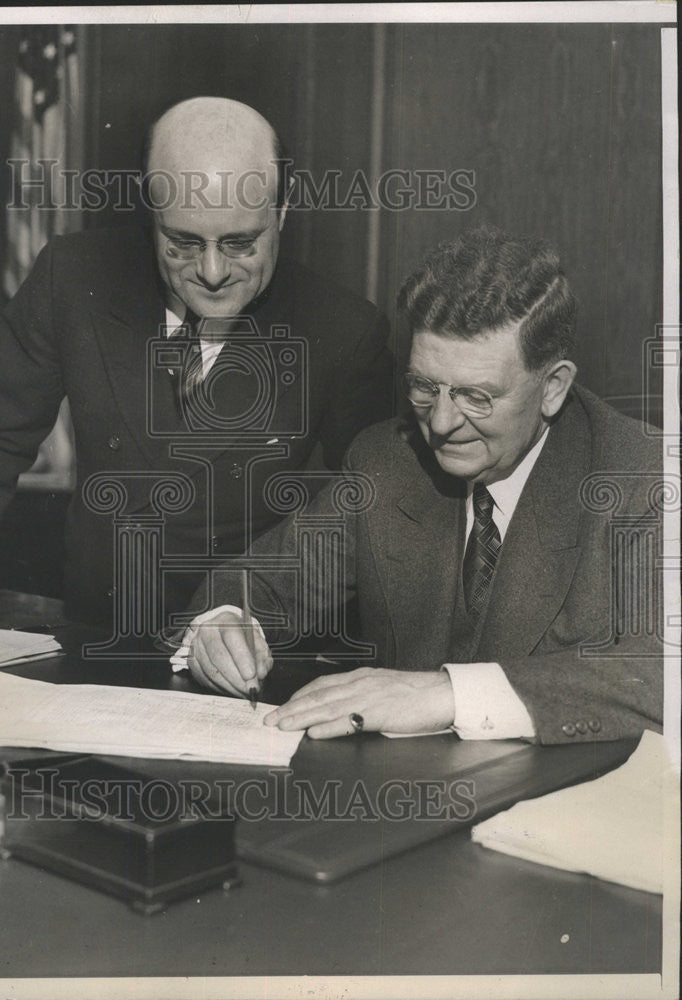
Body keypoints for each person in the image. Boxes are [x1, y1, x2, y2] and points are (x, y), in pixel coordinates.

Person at [183, 227, 664, 745]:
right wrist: (223, 626)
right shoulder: (387, 461)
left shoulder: (643, 480)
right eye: (423, 386)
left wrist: (444, 694)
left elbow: (661, 675)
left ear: (553, 388)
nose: (439, 422)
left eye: (475, 396)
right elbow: (261, 583)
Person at [0, 96, 394, 627]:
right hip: (96, 637)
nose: (212, 271)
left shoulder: (341, 329)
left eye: (240, 242)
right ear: (151, 214)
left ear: (283, 211)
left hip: (248, 642)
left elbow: (371, 507)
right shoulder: (73, 278)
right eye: (182, 241)